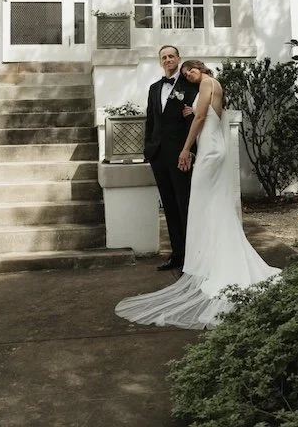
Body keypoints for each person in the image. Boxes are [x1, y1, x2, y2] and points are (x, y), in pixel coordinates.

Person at [116, 59, 281, 330]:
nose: (188, 75)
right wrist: (190, 113)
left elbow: (203, 117)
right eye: (185, 73)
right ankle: (213, 255)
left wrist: (185, 148)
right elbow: (204, 113)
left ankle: (216, 260)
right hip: (211, 147)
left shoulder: (207, 83)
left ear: (200, 68)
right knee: (209, 205)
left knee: (204, 205)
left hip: (210, 150)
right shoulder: (211, 85)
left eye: (189, 70)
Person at [143, 45, 199, 272]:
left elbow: (197, 117)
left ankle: (193, 256)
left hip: (181, 154)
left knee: (184, 203)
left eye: (171, 56)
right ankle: (177, 254)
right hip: (158, 155)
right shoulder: (154, 88)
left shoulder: (190, 85)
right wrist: (148, 149)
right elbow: (151, 120)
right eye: (164, 57)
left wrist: (191, 150)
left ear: (178, 59)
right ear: (160, 62)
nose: (168, 60)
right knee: (168, 205)